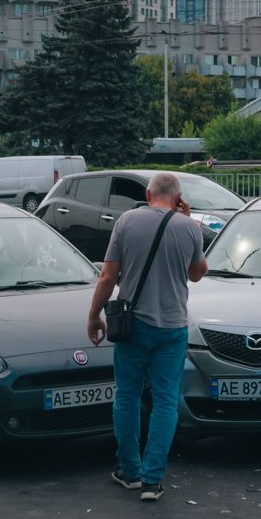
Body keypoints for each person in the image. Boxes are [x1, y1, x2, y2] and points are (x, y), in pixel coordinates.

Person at [87, 173, 208, 502]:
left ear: (148, 193)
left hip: (134, 324)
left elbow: (108, 276)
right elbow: (196, 274)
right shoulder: (190, 228)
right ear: (178, 198)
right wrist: (188, 221)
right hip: (172, 327)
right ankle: (153, 481)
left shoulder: (126, 221)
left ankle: (130, 471)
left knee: (127, 396)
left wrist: (94, 315)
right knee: (166, 400)